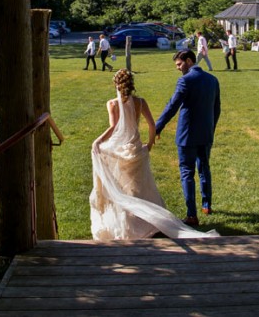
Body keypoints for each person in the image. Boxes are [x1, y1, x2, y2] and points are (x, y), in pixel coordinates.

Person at [90, 69, 217, 240]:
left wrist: (98, 141)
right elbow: (151, 125)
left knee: (121, 188)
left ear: (116, 85)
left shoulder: (112, 104)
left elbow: (113, 128)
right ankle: (148, 222)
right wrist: (149, 145)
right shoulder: (140, 102)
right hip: (136, 150)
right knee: (141, 188)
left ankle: (128, 223)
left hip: (120, 151)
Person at [155, 49, 221, 227]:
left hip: (187, 135)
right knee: (204, 168)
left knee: (186, 172)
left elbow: (172, 106)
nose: (178, 68)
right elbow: (217, 109)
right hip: (206, 133)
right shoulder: (213, 80)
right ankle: (206, 205)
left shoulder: (185, 80)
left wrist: (156, 128)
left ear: (189, 61)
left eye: (179, 64)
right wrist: (210, 129)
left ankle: (191, 215)